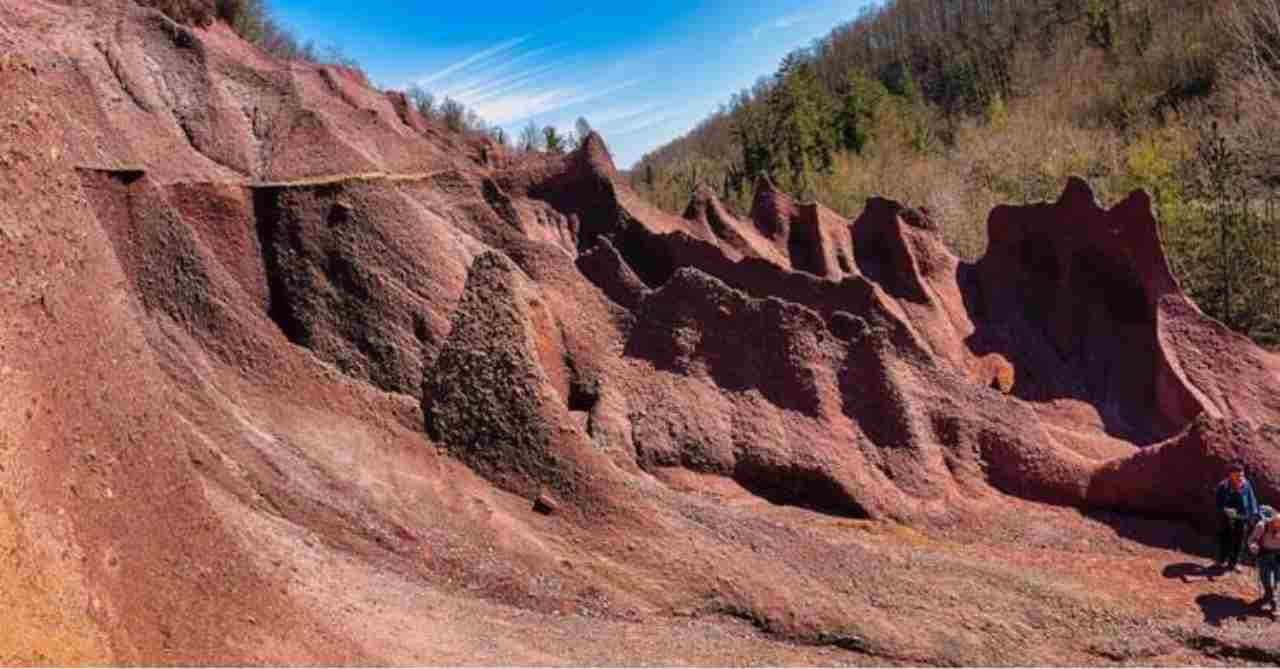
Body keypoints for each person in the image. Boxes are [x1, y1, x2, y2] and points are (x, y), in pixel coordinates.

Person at [1215, 462, 1259, 571]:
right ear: (1230, 474)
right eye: (1237, 475)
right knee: (1225, 538)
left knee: (1239, 540)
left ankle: (1234, 563)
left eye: (1242, 475)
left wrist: (1253, 512)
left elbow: (1251, 499)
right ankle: (1221, 560)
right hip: (1227, 517)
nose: (1240, 477)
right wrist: (1225, 510)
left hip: (1242, 516)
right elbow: (1218, 503)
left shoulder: (1246, 484)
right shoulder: (1223, 486)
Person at [1248, 508, 1280, 618]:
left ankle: (1275, 603)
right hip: (1264, 555)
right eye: (1275, 524)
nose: (1276, 527)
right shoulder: (1262, 526)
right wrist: (1253, 546)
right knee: (1266, 579)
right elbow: (1252, 540)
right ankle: (1268, 596)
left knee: (1277, 581)